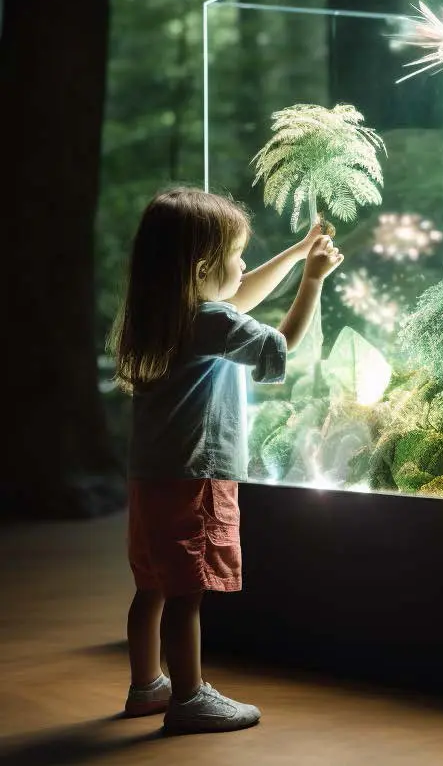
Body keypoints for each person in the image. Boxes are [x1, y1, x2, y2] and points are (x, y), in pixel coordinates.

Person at [110, 187, 343, 733]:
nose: (242, 267)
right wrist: (311, 280)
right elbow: (277, 341)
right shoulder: (209, 321)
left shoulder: (162, 314)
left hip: (151, 480)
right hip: (196, 477)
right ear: (199, 269)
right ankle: (188, 698)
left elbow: (236, 298)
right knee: (188, 593)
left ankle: (147, 686)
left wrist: (293, 252)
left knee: (151, 587)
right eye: (236, 255)